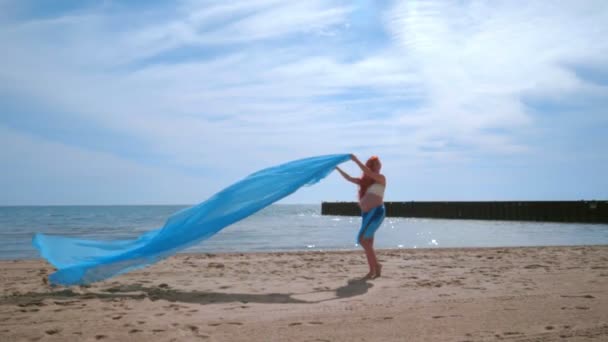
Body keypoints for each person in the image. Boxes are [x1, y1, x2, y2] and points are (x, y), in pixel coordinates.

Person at [335, 154, 386, 279]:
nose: (380, 165)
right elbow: (348, 178)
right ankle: (372, 270)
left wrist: (355, 160)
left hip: (377, 212)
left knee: (363, 240)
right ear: (373, 166)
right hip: (366, 215)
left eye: (379, 164)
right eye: (377, 164)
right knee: (368, 242)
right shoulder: (365, 182)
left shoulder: (381, 178)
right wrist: (337, 168)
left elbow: (366, 171)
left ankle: (377, 266)